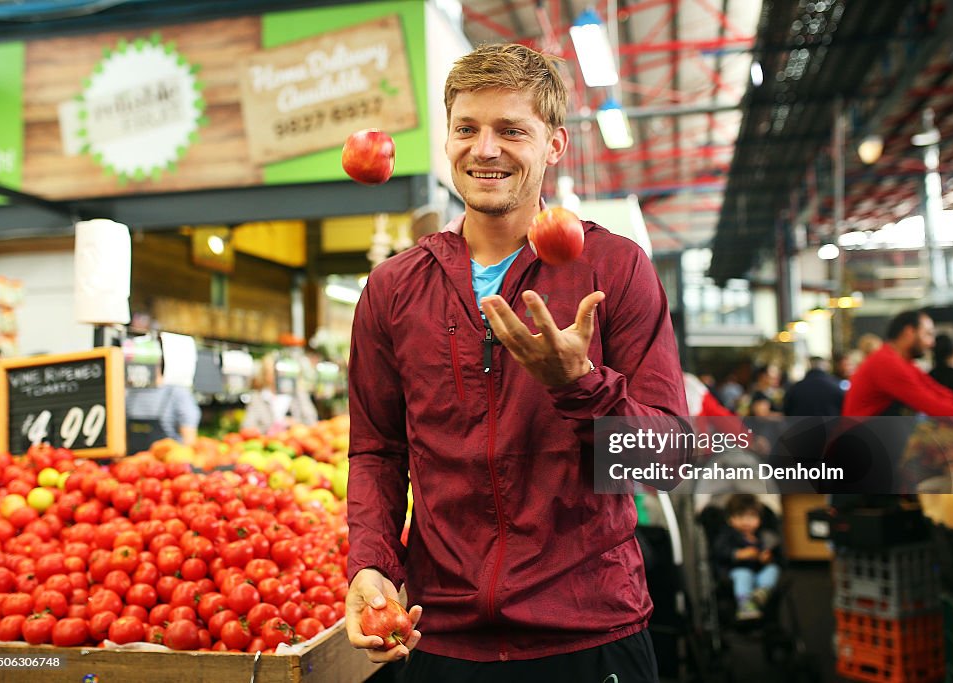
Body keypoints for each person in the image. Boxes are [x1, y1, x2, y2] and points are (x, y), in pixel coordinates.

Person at [344, 43, 688, 681]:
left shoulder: (614, 268)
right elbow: (377, 451)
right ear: (447, 140)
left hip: (587, 628)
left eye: (512, 130)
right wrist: (370, 562)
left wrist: (581, 387)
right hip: (439, 634)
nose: (485, 149)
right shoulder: (393, 288)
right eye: (467, 129)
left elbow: (664, 459)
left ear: (554, 145)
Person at [843, 311, 953, 418]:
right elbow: (937, 407)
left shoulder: (901, 362)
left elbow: (945, 397)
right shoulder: (887, 363)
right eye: (928, 334)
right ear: (909, 332)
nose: (932, 343)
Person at [711, 494, 781, 620]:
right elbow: (719, 551)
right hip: (735, 572)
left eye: (751, 517)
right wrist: (738, 554)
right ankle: (745, 605)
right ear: (730, 519)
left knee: (772, 570)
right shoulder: (728, 535)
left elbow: (775, 554)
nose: (746, 522)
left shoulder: (763, 536)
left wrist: (766, 558)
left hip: (757, 573)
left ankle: (762, 593)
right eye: (740, 517)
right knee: (744, 574)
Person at [124, 354, 201, 453]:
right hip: (135, 463)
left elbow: (189, 441)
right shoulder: (130, 393)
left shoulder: (177, 393)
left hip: (168, 464)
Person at [241, 353, 318, 435]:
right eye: (272, 372)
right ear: (265, 374)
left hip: (296, 441)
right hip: (268, 443)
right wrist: (270, 429)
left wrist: (294, 423)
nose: (276, 375)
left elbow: (312, 422)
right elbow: (246, 428)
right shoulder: (257, 397)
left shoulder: (299, 394)